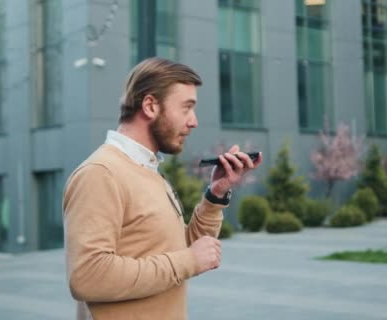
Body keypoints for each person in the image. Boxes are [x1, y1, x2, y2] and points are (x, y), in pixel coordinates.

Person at [63, 57, 262, 320]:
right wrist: (189, 260)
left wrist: (215, 195)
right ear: (150, 106)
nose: (194, 122)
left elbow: (181, 252)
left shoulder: (148, 171)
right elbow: (87, 276)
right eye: (186, 108)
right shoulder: (101, 174)